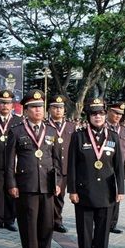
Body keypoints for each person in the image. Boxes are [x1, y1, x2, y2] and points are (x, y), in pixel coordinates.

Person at [5, 89, 62, 248]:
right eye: (33, 107)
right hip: (26, 184)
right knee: (28, 222)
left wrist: (59, 183)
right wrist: (12, 184)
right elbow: (9, 162)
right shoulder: (17, 131)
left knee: (46, 223)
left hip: (47, 184)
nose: (38, 110)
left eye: (40, 107)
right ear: (26, 110)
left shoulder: (52, 131)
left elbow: (57, 160)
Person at [68, 98, 125, 248]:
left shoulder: (113, 137)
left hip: (107, 193)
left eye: (100, 113)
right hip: (84, 191)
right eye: (94, 114)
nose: (98, 117)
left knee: (102, 232)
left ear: (105, 115)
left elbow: (118, 167)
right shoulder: (78, 136)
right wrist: (72, 190)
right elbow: (71, 166)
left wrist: (120, 190)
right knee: (84, 232)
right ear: (88, 116)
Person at [0, 90, 20, 232]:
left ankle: (10, 220)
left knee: (11, 191)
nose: (5, 106)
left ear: (12, 105)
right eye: (2, 103)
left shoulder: (18, 121)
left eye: (8, 103)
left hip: (13, 164)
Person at [47, 94, 76, 234]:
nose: (58, 110)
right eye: (54, 107)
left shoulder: (71, 126)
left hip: (64, 168)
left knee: (59, 197)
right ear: (49, 109)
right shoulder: (45, 125)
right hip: (47, 168)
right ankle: (46, 221)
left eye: (60, 107)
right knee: (47, 197)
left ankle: (57, 222)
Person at [105, 101, 125, 234]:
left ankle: (112, 224)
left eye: (120, 114)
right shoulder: (101, 127)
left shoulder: (124, 130)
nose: (118, 116)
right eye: (115, 112)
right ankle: (103, 221)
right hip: (105, 165)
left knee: (117, 195)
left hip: (118, 167)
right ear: (108, 111)